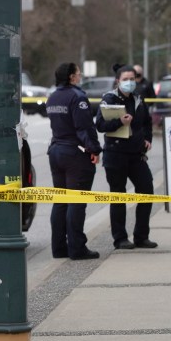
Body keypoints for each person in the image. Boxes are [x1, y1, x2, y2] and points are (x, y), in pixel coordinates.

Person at [95, 64, 158, 250]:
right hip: (115, 154)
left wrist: (147, 138)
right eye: (126, 79)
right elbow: (99, 124)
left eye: (133, 78)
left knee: (146, 192)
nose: (130, 82)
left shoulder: (139, 99)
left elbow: (146, 122)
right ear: (118, 81)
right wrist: (118, 122)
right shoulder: (109, 99)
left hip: (137, 154)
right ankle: (120, 238)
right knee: (118, 196)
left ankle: (141, 236)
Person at [46, 62, 102, 260]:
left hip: (56, 151)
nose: (80, 76)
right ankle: (77, 248)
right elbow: (84, 127)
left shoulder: (53, 97)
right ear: (71, 76)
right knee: (76, 202)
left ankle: (59, 248)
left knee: (60, 201)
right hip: (75, 154)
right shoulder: (77, 97)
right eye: (78, 73)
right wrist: (94, 149)